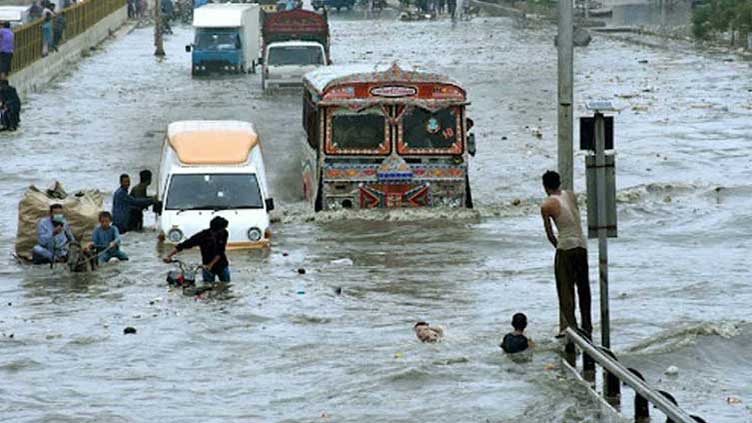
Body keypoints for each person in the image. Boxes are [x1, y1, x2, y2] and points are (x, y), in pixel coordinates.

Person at [540, 170, 592, 338]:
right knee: (583, 288)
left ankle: (572, 329)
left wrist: (558, 246)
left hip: (566, 247)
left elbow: (550, 234)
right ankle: (587, 325)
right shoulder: (571, 195)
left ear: (545, 186)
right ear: (559, 182)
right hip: (582, 245)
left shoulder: (547, 205)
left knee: (565, 291)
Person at [163, 216, 231, 283]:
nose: (223, 230)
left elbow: (220, 252)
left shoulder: (224, 233)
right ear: (215, 230)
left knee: (226, 285)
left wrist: (210, 265)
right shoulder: (202, 236)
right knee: (207, 288)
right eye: (222, 229)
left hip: (222, 265)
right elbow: (183, 245)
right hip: (206, 265)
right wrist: (168, 256)